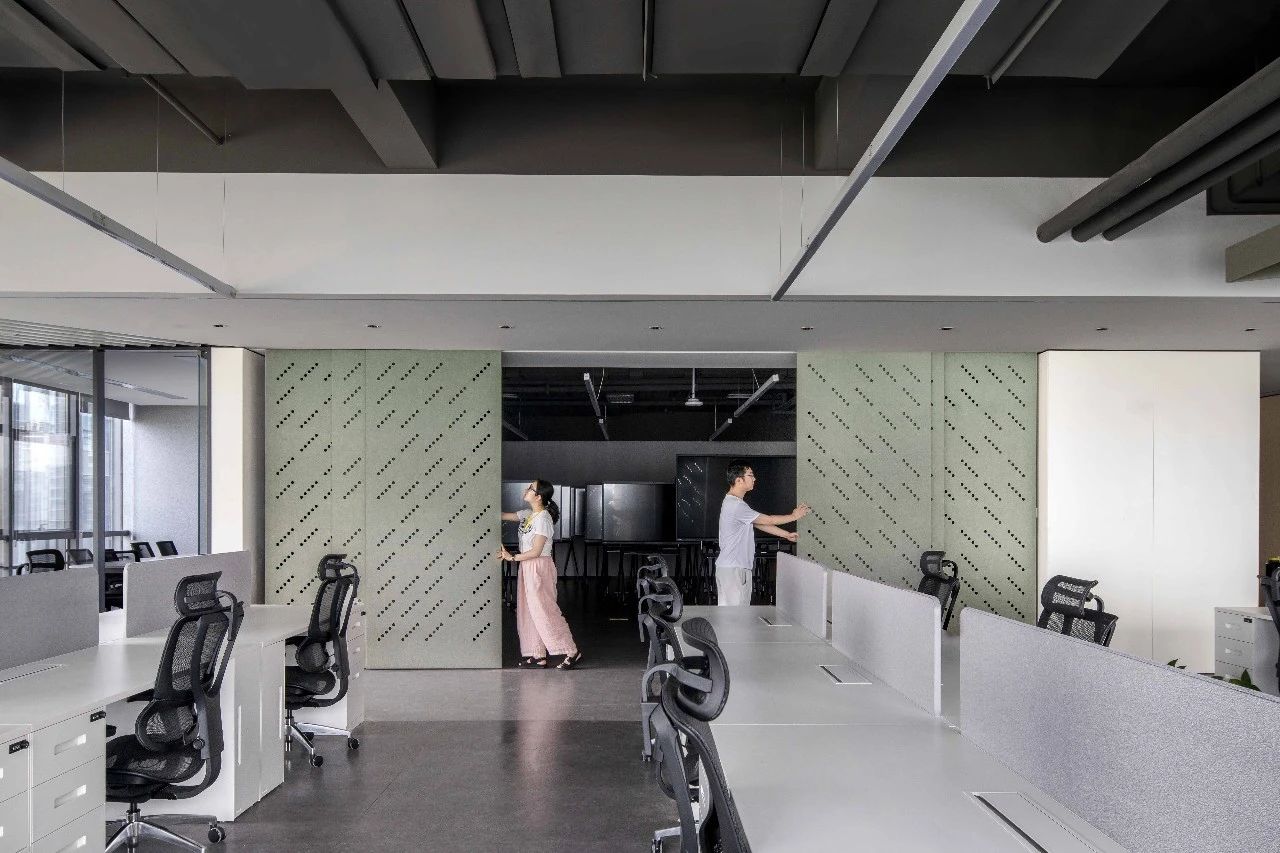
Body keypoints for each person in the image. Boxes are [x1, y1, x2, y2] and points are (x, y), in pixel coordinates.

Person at [498, 480, 583, 669]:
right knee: (527, 611)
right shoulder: (527, 514)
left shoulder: (543, 519)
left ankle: (572, 651)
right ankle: (537, 654)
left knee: (544, 610)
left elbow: (536, 551)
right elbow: (502, 515)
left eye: (530, 488)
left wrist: (512, 557)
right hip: (526, 566)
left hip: (539, 567)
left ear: (538, 497)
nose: (526, 490)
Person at [716, 461, 810, 606]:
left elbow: (759, 523)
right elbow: (768, 519)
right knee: (735, 616)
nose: (754, 479)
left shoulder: (733, 503)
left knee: (733, 615)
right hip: (735, 570)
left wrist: (785, 534)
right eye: (750, 475)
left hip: (731, 569)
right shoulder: (735, 505)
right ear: (739, 480)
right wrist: (794, 516)